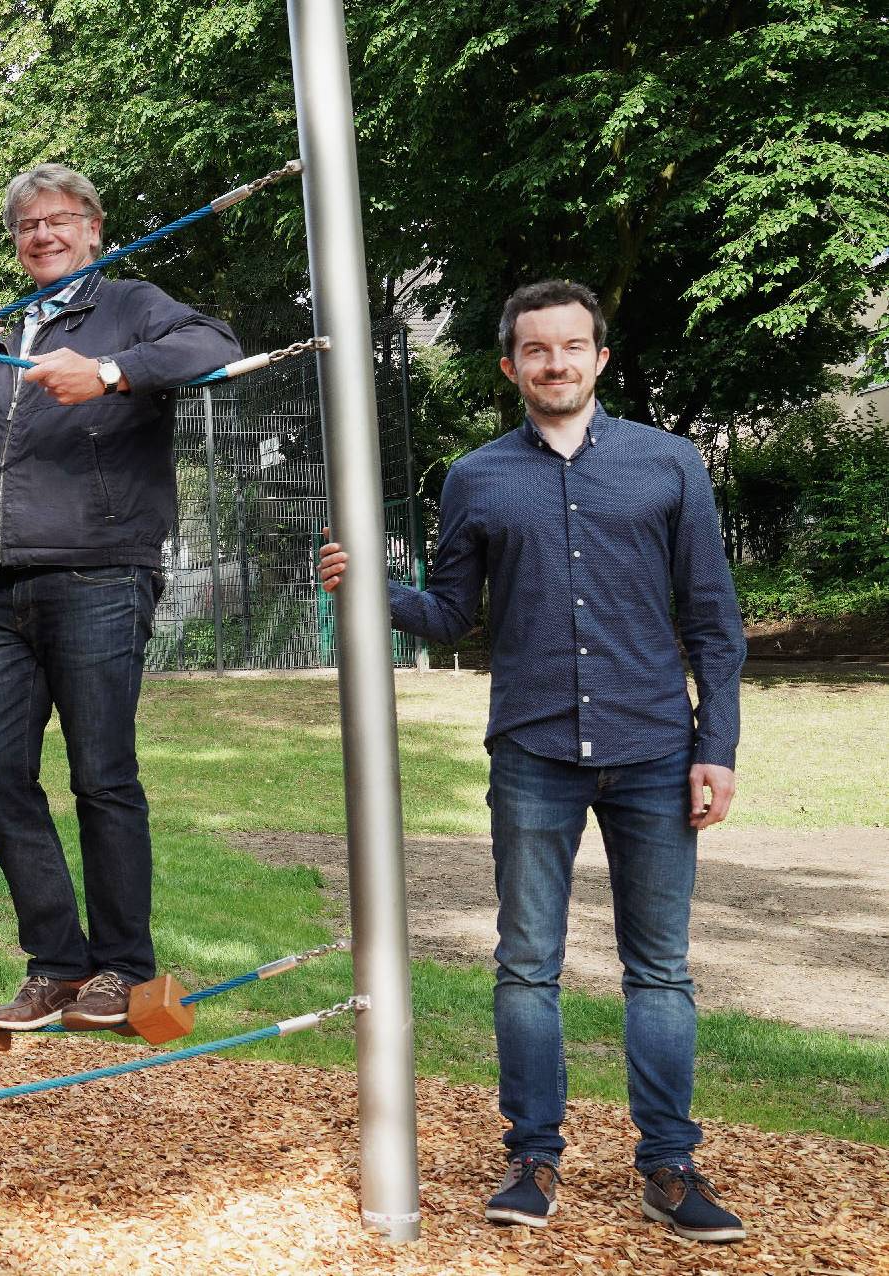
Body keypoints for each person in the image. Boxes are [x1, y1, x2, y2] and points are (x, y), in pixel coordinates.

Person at [318, 279, 746, 1243]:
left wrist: (714, 746)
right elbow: (450, 613)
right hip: (532, 752)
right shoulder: (474, 477)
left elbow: (714, 623)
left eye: (572, 347)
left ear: (599, 356)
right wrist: (372, 589)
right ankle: (532, 1161)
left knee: (661, 972)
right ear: (509, 365)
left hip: (652, 750)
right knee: (524, 966)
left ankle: (670, 1169)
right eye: (535, 350)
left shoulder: (668, 465)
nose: (554, 363)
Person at [0, 162, 242, 1034]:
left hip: (101, 570)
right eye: (27, 225)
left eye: (59, 220)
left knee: (101, 776)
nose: (42, 235)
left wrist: (106, 374)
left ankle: (119, 967)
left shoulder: (129, 304)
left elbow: (215, 347)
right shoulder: (2, 332)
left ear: (94, 227)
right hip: (4, 585)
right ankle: (56, 963)